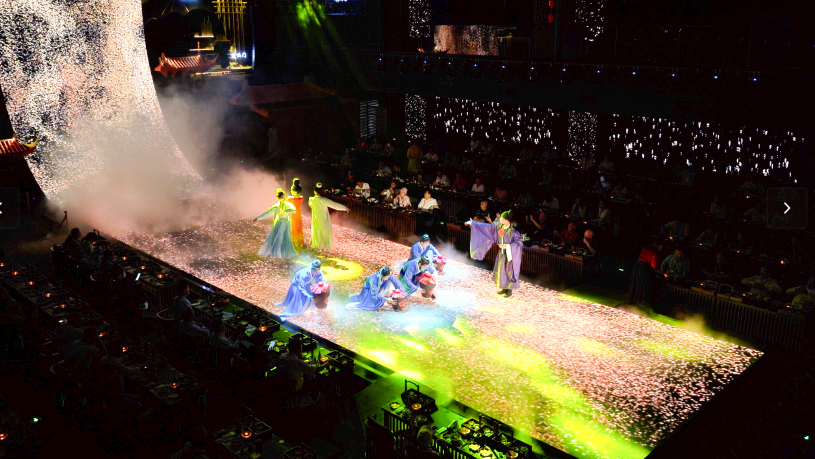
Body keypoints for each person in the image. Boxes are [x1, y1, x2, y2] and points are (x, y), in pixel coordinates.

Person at [466, 210, 522, 298]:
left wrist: (508, 246)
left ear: (506, 220)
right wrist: (473, 224)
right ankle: (504, 287)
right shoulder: (499, 229)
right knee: (501, 270)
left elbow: (518, 243)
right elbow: (487, 228)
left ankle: (509, 290)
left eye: (502, 218)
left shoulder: (513, 232)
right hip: (501, 254)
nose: (500, 220)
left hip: (510, 254)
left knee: (509, 271)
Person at [254, 188, 299, 260]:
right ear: (278, 198)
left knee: (285, 238)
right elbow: (268, 213)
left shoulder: (288, 205)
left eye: (283, 197)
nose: (283, 198)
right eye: (281, 197)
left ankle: (282, 253)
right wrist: (257, 218)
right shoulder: (276, 206)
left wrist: (286, 210)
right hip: (279, 223)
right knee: (277, 237)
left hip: (286, 223)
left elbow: (294, 210)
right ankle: (272, 253)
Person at [308, 184, 350, 252]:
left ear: (314, 191)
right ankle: (324, 244)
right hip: (322, 218)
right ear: (321, 191)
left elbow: (310, 205)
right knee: (324, 231)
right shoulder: (323, 200)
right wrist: (345, 208)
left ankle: (317, 244)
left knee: (317, 230)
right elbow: (335, 205)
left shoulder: (311, 199)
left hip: (315, 218)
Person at [628, 239, 664, 305]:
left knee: (635, 283)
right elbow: (654, 265)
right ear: (660, 246)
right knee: (642, 285)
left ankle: (632, 300)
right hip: (644, 268)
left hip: (638, 266)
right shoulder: (655, 251)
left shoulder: (646, 247)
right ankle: (640, 301)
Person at [287, 178, 305, 251]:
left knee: (293, 227)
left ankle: (293, 242)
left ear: (295, 191)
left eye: (291, 190)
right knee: (298, 227)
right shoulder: (301, 198)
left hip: (293, 214)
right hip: (298, 213)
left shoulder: (290, 199)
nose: (291, 192)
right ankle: (299, 242)